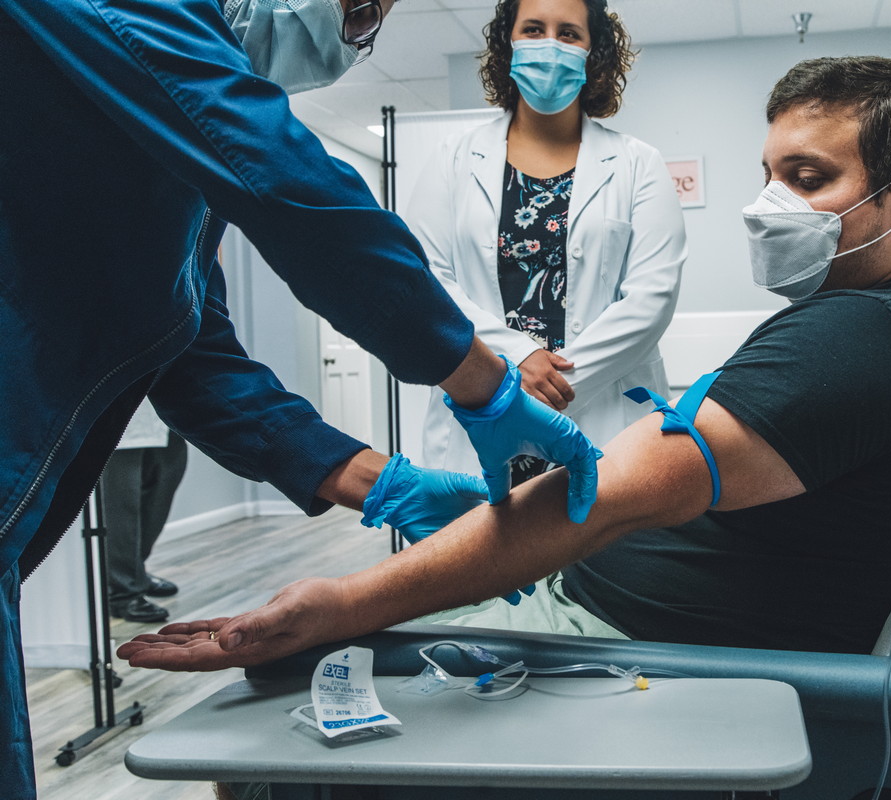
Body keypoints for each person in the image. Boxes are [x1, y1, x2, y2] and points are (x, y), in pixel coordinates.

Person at [118, 55, 891, 668]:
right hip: (580, 598)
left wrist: (345, 599)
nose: (768, 206)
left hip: (617, 644)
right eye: (769, 174)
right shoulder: (863, 326)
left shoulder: (856, 335)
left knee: (286, 708)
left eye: (808, 176)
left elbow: (594, 502)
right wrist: (402, 469)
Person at [0, 1, 602, 797]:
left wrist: (383, 483)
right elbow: (291, 186)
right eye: (354, 6)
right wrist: (486, 387)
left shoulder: (151, 128)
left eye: (373, 20)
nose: (353, 33)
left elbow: (192, 350)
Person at [414, 0, 686, 483]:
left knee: (600, 551)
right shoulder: (452, 159)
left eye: (569, 34)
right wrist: (515, 363)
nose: (549, 46)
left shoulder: (637, 163)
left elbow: (651, 298)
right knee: (488, 550)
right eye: (533, 29)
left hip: (600, 409)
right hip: (486, 403)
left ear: (593, 52)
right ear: (508, 44)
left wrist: (553, 386)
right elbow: (427, 280)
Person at [99, 402, 189, 623]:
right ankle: (122, 592)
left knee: (164, 481)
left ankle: (134, 571)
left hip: (163, 410)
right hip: (118, 412)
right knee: (121, 504)